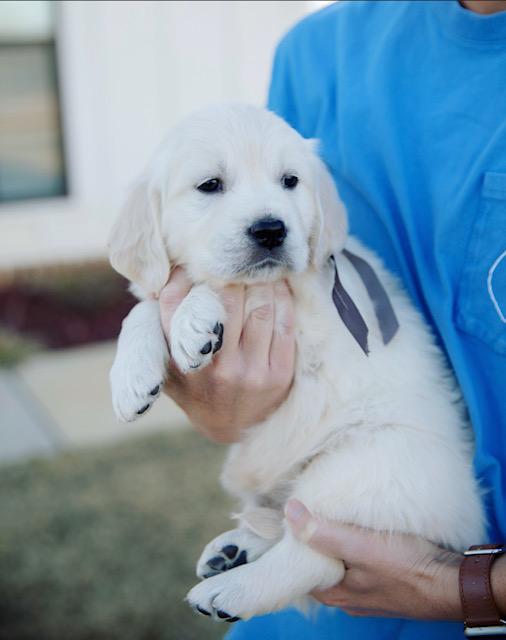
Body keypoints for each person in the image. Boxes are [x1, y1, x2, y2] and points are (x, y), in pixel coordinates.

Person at [159, 1, 506, 638]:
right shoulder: (315, 53)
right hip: (303, 618)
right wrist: (221, 402)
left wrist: (462, 586)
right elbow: (248, 289)